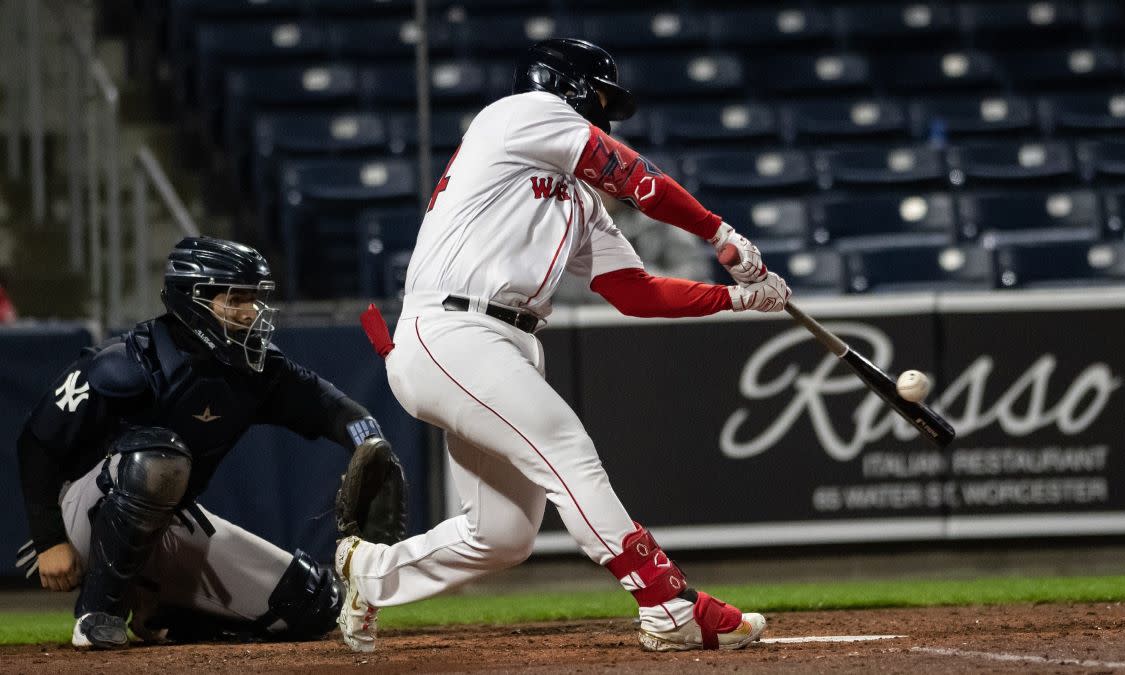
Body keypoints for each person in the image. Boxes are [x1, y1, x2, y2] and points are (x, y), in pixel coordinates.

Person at [340, 39, 790, 653]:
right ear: (570, 85)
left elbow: (635, 292)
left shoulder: (578, 200)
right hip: (452, 330)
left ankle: (369, 573)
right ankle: (667, 604)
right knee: (567, 450)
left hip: (503, 343)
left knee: (501, 536)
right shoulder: (522, 112)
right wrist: (720, 231)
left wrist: (737, 299)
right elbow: (638, 178)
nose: (604, 111)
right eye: (601, 96)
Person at [16, 236, 403, 649]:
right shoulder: (126, 362)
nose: (250, 312)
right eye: (236, 299)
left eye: (254, 299)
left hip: (167, 524)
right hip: (81, 516)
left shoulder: (256, 369)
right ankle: (99, 613)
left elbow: (336, 410)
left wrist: (371, 444)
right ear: (192, 300)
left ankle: (167, 611)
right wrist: (49, 540)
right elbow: (36, 443)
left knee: (313, 603)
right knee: (157, 458)